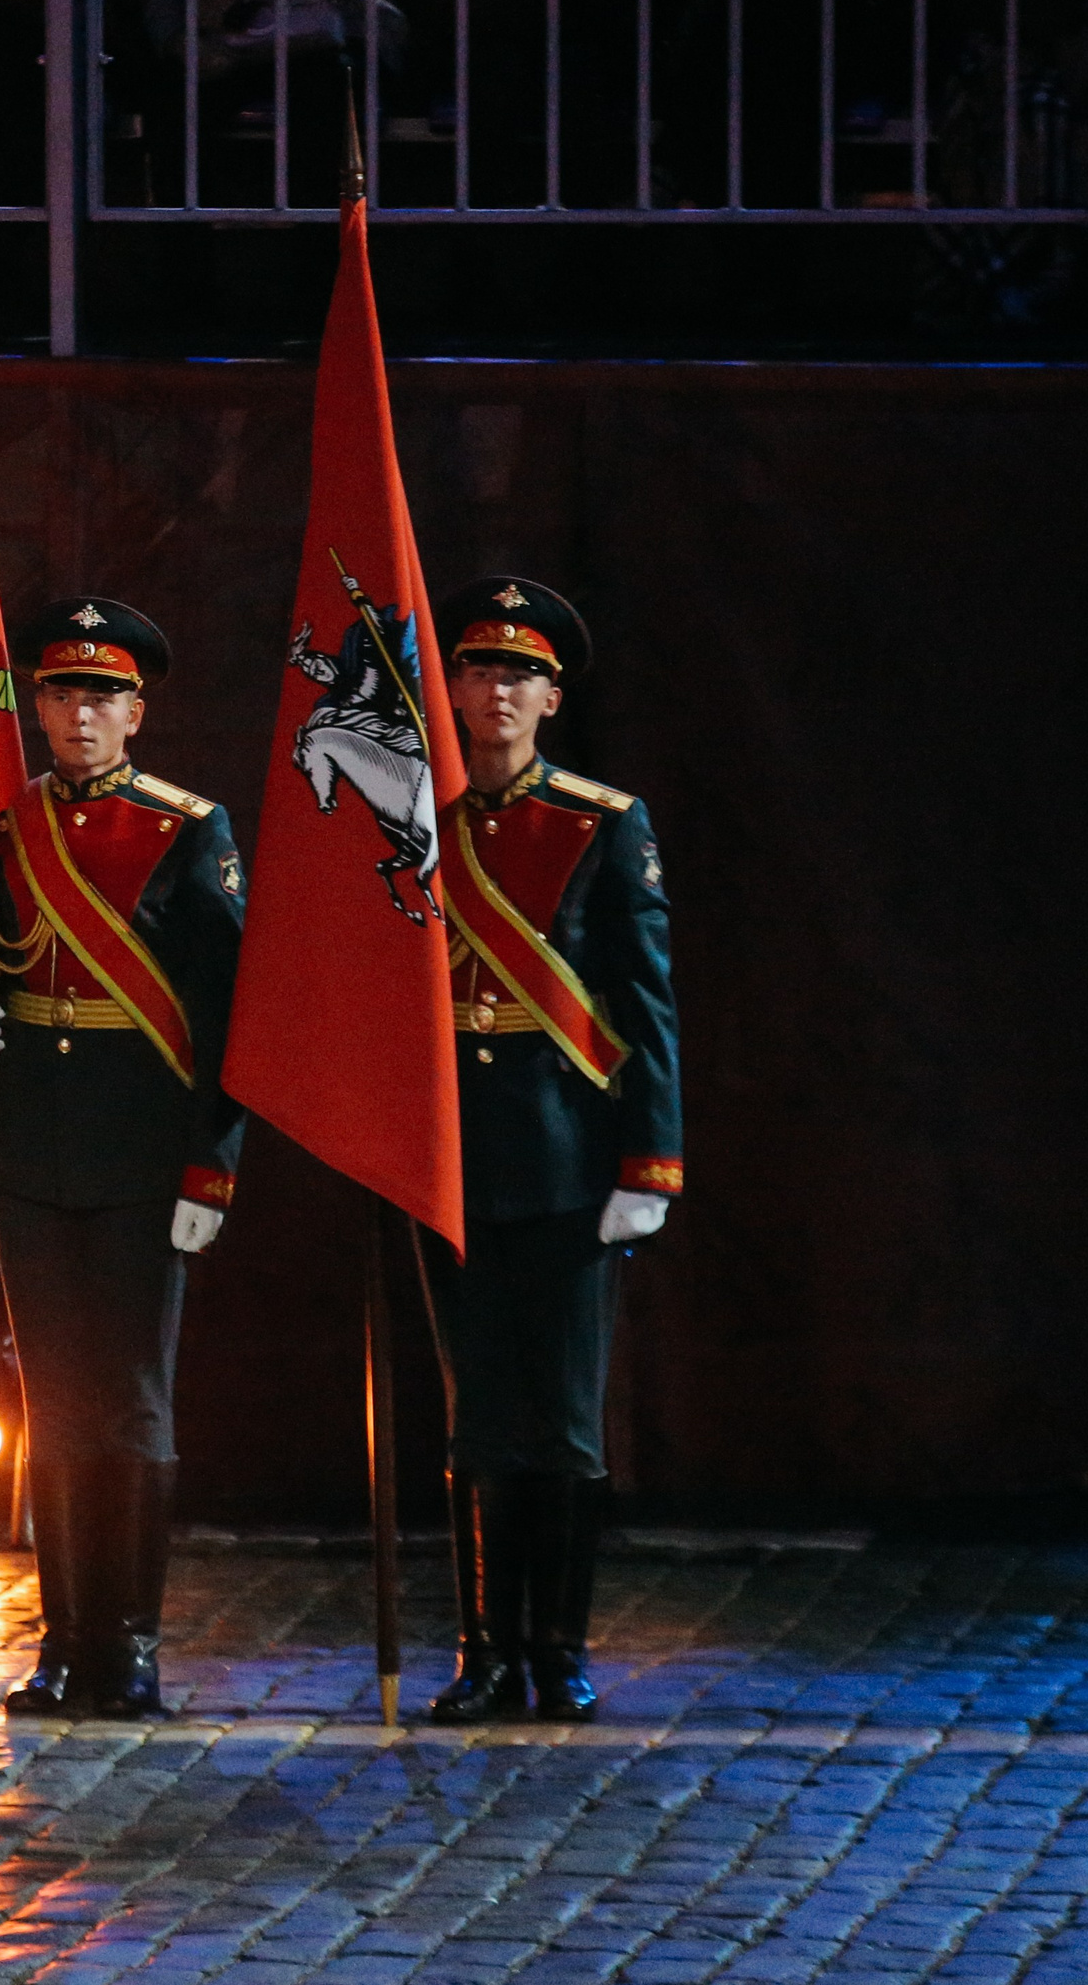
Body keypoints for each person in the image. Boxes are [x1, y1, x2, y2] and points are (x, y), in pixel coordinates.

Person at [422, 575, 680, 1727]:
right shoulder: (412, 824)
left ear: (551, 697)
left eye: (519, 674)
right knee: (479, 1418)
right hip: (451, 1158)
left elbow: (645, 1001)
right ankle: (482, 1653)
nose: (497, 693)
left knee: (564, 1424)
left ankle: (557, 1651)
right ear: (454, 689)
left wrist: (650, 1162)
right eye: (478, 671)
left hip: (571, 1158)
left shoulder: (601, 822)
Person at [0, 597, 246, 1719]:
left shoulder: (190, 830)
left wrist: (211, 1165)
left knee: (131, 1402)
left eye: (102, 696)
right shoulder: (0, 828)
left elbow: (228, 1011)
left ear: (136, 712)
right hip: (32, 1152)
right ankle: (62, 1641)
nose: (80, 714)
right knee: (52, 1406)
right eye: (61, 693)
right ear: (37, 708)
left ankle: (129, 1644)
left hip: (144, 1152)